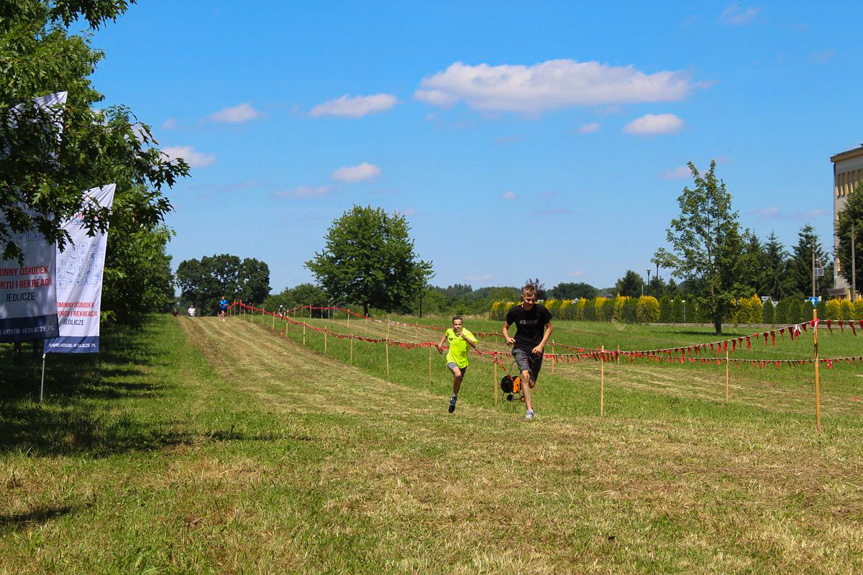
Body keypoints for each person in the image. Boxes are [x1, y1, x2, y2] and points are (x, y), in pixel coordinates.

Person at [502, 284, 553, 420]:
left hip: (536, 349)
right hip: (520, 347)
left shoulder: (541, 311)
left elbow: (549, 328)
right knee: (525, 376)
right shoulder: (515, 312)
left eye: (533, 300)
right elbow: (505, 328)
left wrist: (541, 345)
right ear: (522, 297)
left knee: (531, 383)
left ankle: (521, 385)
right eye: (528, 299)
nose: (530, 302)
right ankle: (529, 410)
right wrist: (507, 338)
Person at [436, 315, 478, 413]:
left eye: (459, 324)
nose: (457, 326)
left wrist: (465, 338)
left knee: (458, 381)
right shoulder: (449, 331)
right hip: (451, 359)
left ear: (462, 325)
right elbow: (446, 335)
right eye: (455, 324)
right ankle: (454, 395)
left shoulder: (466, 333)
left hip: (463, 362)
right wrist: (440, 344)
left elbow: (474, 345)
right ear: (452, 325)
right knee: (457, 374)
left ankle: (454, 397)